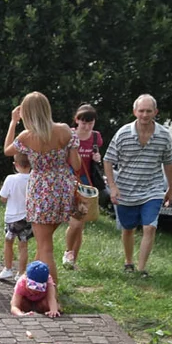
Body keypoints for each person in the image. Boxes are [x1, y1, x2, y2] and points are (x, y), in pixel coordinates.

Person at [3, 92, 83, 283]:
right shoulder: (64, 130)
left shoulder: (27, 136)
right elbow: (77, 165)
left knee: (45, 247)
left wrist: (13, 122)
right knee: (42, 244)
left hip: (41, 192)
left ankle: (52, 296)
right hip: (63, 189)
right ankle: (35, 285)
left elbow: (7, 150)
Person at [104, 94, 172, 276]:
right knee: (128, 229)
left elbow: (168, 163)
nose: (145, 115)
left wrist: (170, 188)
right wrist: (112, 186)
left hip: (152, 189)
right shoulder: (123, 134)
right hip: (126, 190)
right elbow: (108, 160)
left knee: (150, 226)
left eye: (148, 111)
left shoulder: (163, 136)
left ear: (155, 112)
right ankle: (129, 263)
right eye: (141, 111)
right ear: (135, 111)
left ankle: (142, 268)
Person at [63, 104, 103, 270]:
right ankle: (67, 253)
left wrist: (97, 157)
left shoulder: (96, 137)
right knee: (76, 222)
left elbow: (97, 160)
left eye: (90, 123)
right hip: (70, 179)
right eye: (83, 123)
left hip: (86, 183)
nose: (87, 127)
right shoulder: (69, 135)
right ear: (77, 120)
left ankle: (73, 260)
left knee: (81, 224)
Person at [0, 152, 32, 283]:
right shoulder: (33, 179)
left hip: (12, 217)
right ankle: (21, 272)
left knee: (8, 242)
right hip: (27, 217)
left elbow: (3, 197)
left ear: (15, 164)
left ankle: (8, 268)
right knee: (23, 245)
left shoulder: (10, 179)